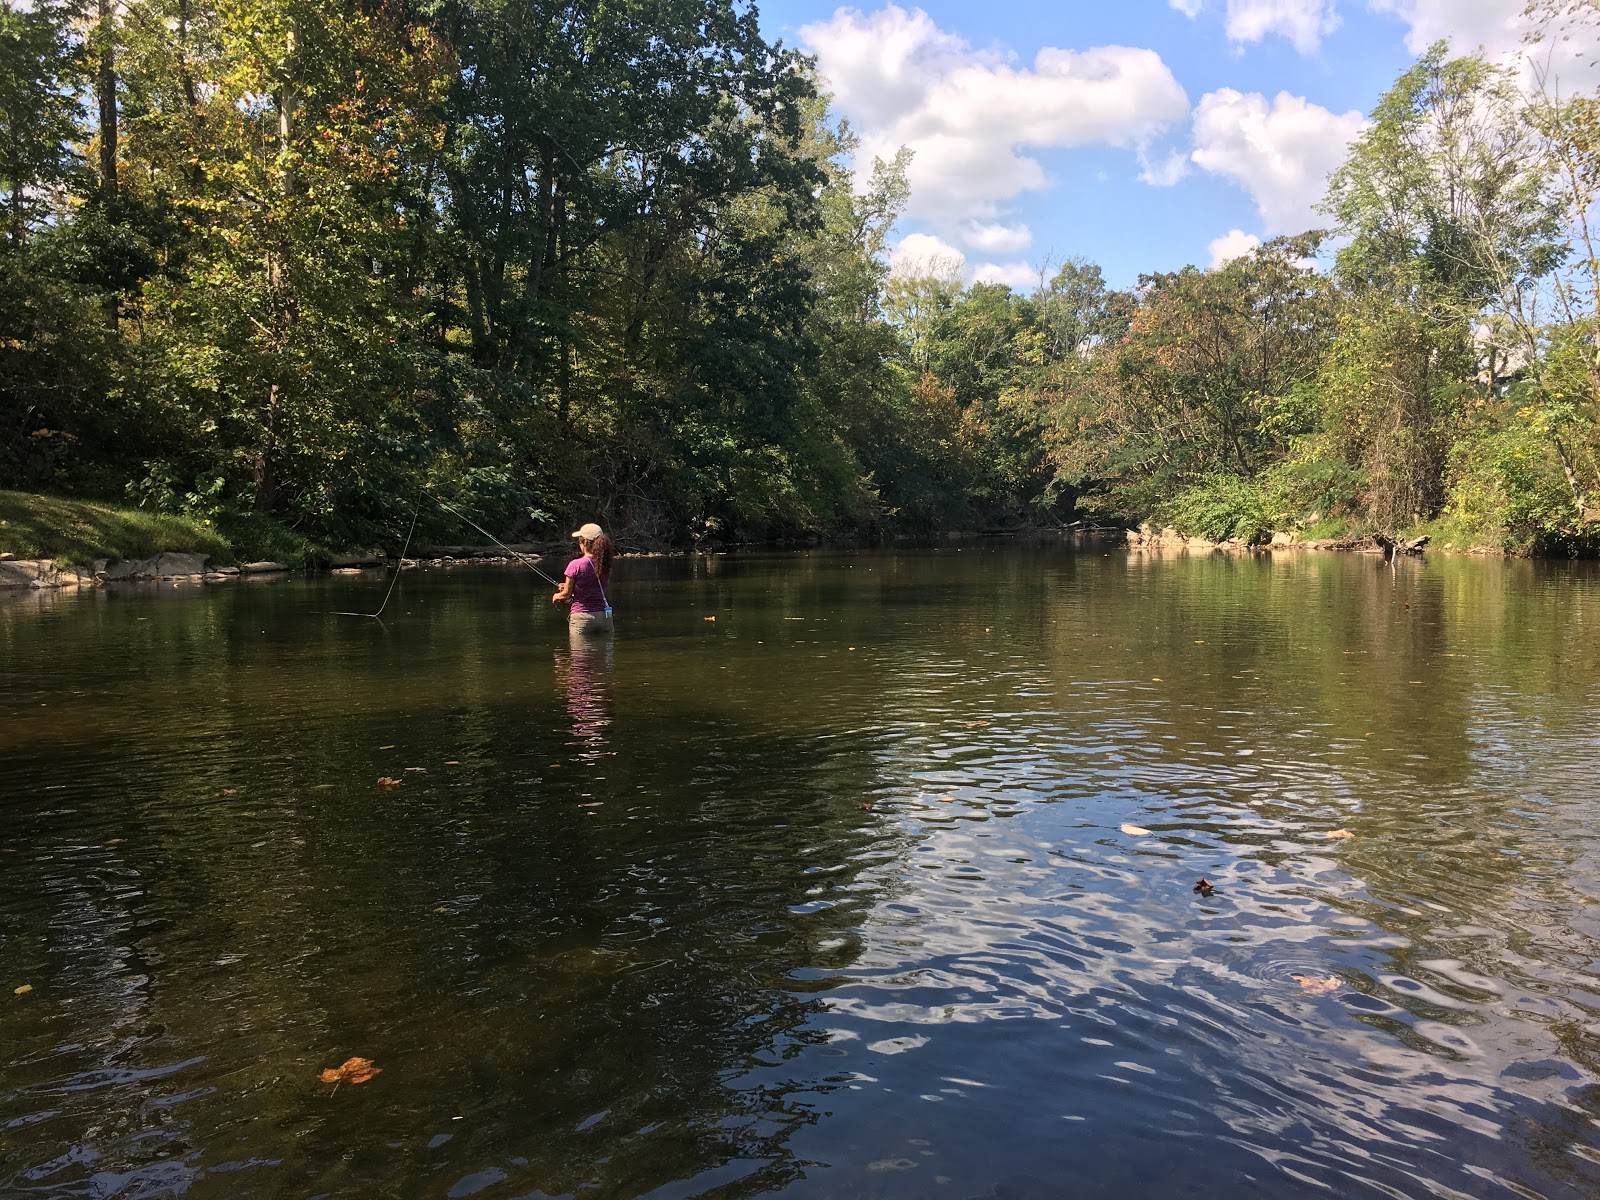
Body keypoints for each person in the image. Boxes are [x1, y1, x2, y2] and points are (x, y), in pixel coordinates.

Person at [551, 522, 615, 637]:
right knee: (603, 654)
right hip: (604, 618)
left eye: (579, 541)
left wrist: (556, 596)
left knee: (580, 654)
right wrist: (569, 587)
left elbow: (566, 596)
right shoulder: (606, 565)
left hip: (582, 618)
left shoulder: (576, 565)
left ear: (585, 542)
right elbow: (593, 587)